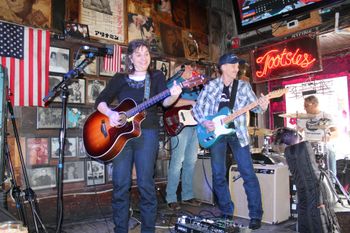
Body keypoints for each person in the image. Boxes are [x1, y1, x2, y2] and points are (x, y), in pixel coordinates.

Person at [95, 39, 182, 233]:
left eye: (146, 54)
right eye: (138, 54)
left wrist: (175, 94)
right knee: (120, 184)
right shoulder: (120, 78)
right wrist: (111, 114)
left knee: (146, 184)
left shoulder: (157, 77)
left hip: (147, 133)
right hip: (121, 138)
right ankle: (120, 229)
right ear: (131, 58)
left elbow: (166, 102)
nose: (143, 58)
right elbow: (100, 101)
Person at [192, 52, 269, 230]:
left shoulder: (243, 86)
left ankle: (256, 215)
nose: (237, 68)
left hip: (238, 133)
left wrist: (263, 105)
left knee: (248, 173)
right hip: (216, 134)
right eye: (233, 65)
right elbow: (197, 109)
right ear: (223, 67)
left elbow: (256, 108)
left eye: (237, 65)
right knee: (218, 174)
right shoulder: (211, 86)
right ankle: (226, 211)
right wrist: (205, 122)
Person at [165, 62, 202, 211]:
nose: (192, 69)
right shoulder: (174, 82)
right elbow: (170, 102)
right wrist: (192, 101)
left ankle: (187, 195)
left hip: (195, 124)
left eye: (192, 68)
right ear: (181, 69)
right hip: (180, 123)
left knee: (191, 161)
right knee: (177, 161)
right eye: (188, 67)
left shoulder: (197, 84)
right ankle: (171, 197)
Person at [296, 95, 338, 182]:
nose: (304, 108)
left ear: (315, 104)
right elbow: (297, 133)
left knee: (331, 153)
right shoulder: (303, 117)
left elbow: (336, 133)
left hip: (323, 144)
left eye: (307, 106)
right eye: (304, 106)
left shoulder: (326, 116)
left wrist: (329, 137)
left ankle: (332, 182)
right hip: (308, 145)